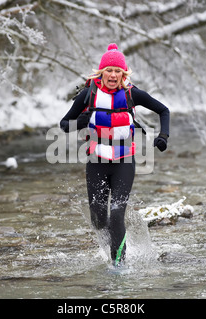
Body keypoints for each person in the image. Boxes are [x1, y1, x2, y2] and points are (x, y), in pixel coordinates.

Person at [60, 43, 170, 267]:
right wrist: (80, 121)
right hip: (96, 161)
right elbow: (64, 124)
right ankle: (116, 243)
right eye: (108, 70)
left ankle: (118, 265)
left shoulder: (132, 94)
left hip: (124, 161)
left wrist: (163, 136)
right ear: (101, 72)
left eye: (117, 71)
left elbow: (163, 110)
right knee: (99, 218)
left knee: (117, 212)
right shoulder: (88, 94)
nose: (113, 75)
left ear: (123, 73)